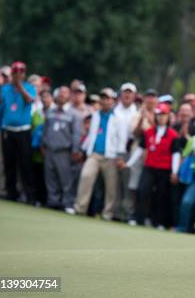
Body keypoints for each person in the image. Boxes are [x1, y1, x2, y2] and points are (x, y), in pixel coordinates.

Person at [127, 103, 180, 229]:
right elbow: (140, 149)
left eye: (164, 115)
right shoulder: (149, 132)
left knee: (161, 195)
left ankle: (159, 222)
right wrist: (128, 163)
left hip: (165, 169)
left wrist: (175, 171)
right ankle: (138, 218)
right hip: (149, 166)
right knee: (142, 191)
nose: (161, 117)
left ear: (168, 117)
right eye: (159, 115)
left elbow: (176, 154)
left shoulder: (173, 135)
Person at [73, 88, 122, 220]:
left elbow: (121, 139)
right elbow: (91, 135)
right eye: (103, 98)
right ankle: (80, 208)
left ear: (113, 101)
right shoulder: (95, 115)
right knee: (86, 176)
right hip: (94, 154)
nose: (105, 101)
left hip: (111, 156)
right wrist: (82, 149)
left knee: (111, 187)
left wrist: (120, 156)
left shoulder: (117, 118)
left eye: (107, 98)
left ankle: (107, 213)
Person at [0, 61, 37, 204]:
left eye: (20, 72)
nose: (17, 75)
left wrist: (20, 87)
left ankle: (29, 196)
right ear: (12, 74)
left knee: (25, 164)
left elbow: (29, 100)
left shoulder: (29, 87)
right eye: (15, 73)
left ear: (24, 74)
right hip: (7, 130)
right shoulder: (5, 88)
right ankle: (11, 193)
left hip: (23, 131)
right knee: (9, 163)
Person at [41, 86, 82, 212]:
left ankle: (67, 203)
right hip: (50, 150)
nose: (61, 95)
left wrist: (75, 150)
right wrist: (43, 144)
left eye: (64, 93)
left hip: (64, 151)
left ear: (69, 96)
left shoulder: (74, 114)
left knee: (66, 180)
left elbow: (76, 133)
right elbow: (45, 130)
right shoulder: (51, 111)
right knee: (50, 178)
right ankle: (53, 202)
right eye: (60, 93)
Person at [113, 82, 139, 222]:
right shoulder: (114, 111)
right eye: (125, 92)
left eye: (130, 92)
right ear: (121, 94)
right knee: (115, 186)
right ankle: (116, 213)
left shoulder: (137, 114)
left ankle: (127, 214)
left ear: (134, 95)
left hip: (129, 154)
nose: (127, 95)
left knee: (128, 185)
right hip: (114, 153)